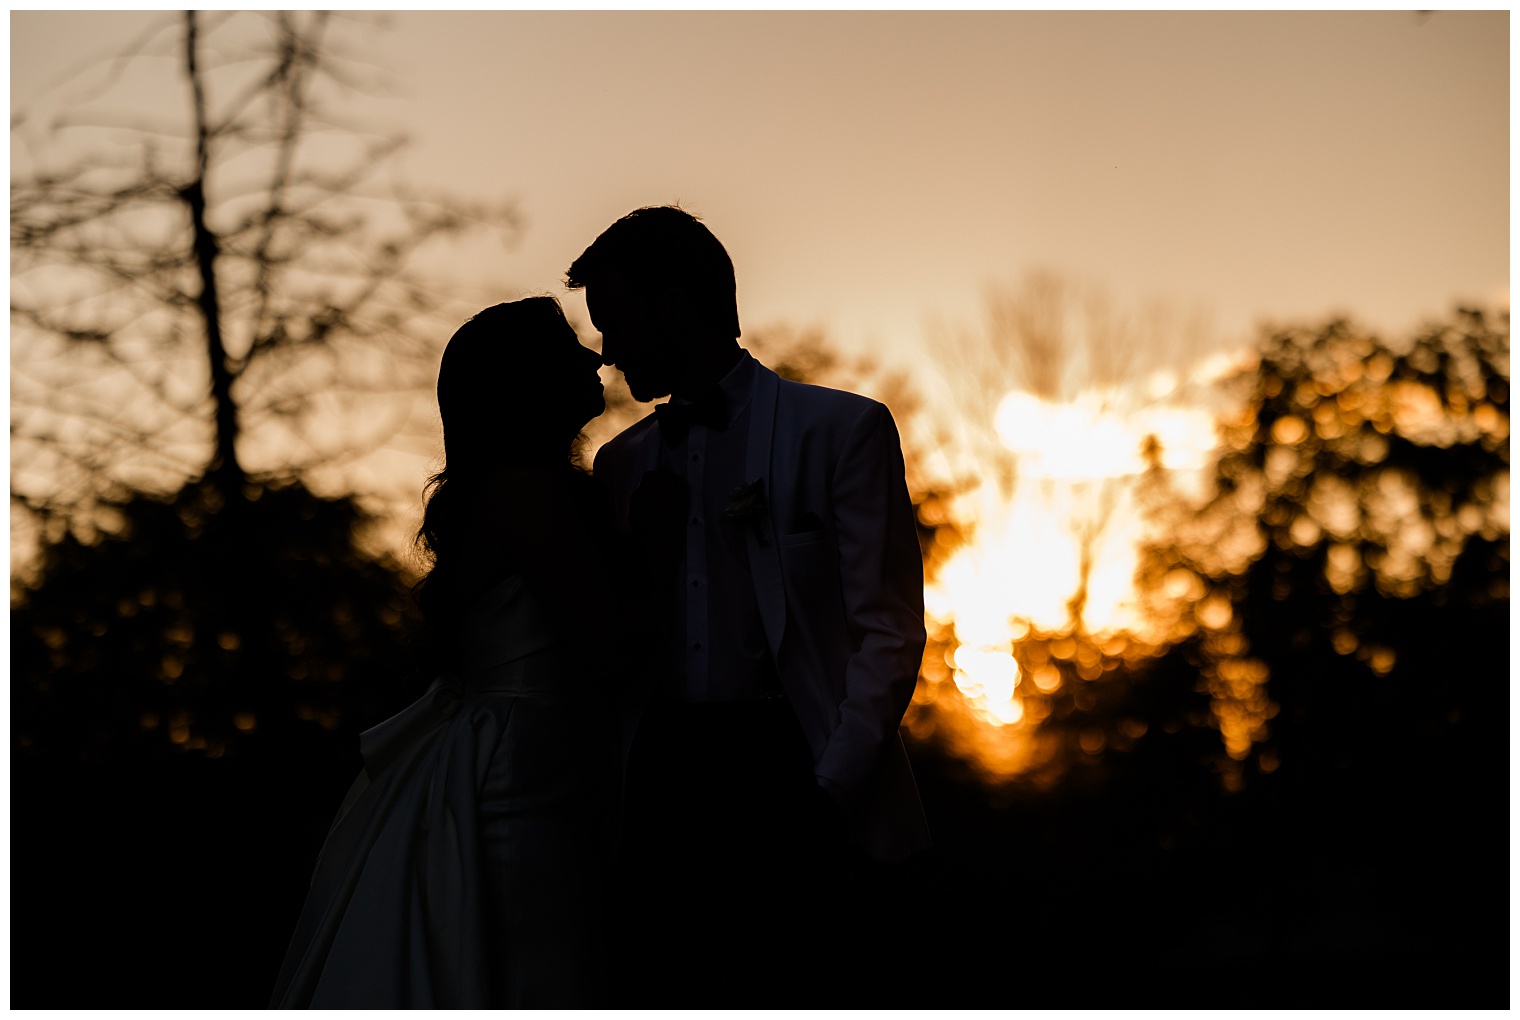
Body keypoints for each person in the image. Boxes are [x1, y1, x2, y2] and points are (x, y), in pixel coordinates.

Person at [568, 206, 931, 1004]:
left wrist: (829, 786)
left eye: (616, 322)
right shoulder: (620, 469)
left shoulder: (841, 431)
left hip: (792, 757)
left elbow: (890, 630)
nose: (606, 352)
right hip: (665, 774)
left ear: (675, 308)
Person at [270, 297, 633, 1008]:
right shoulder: (526, 494)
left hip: (515, 743)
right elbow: (610, 637)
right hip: (527, 761)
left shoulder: (511, 490)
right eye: (568, 351)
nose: (594, 358)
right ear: (527, 382)